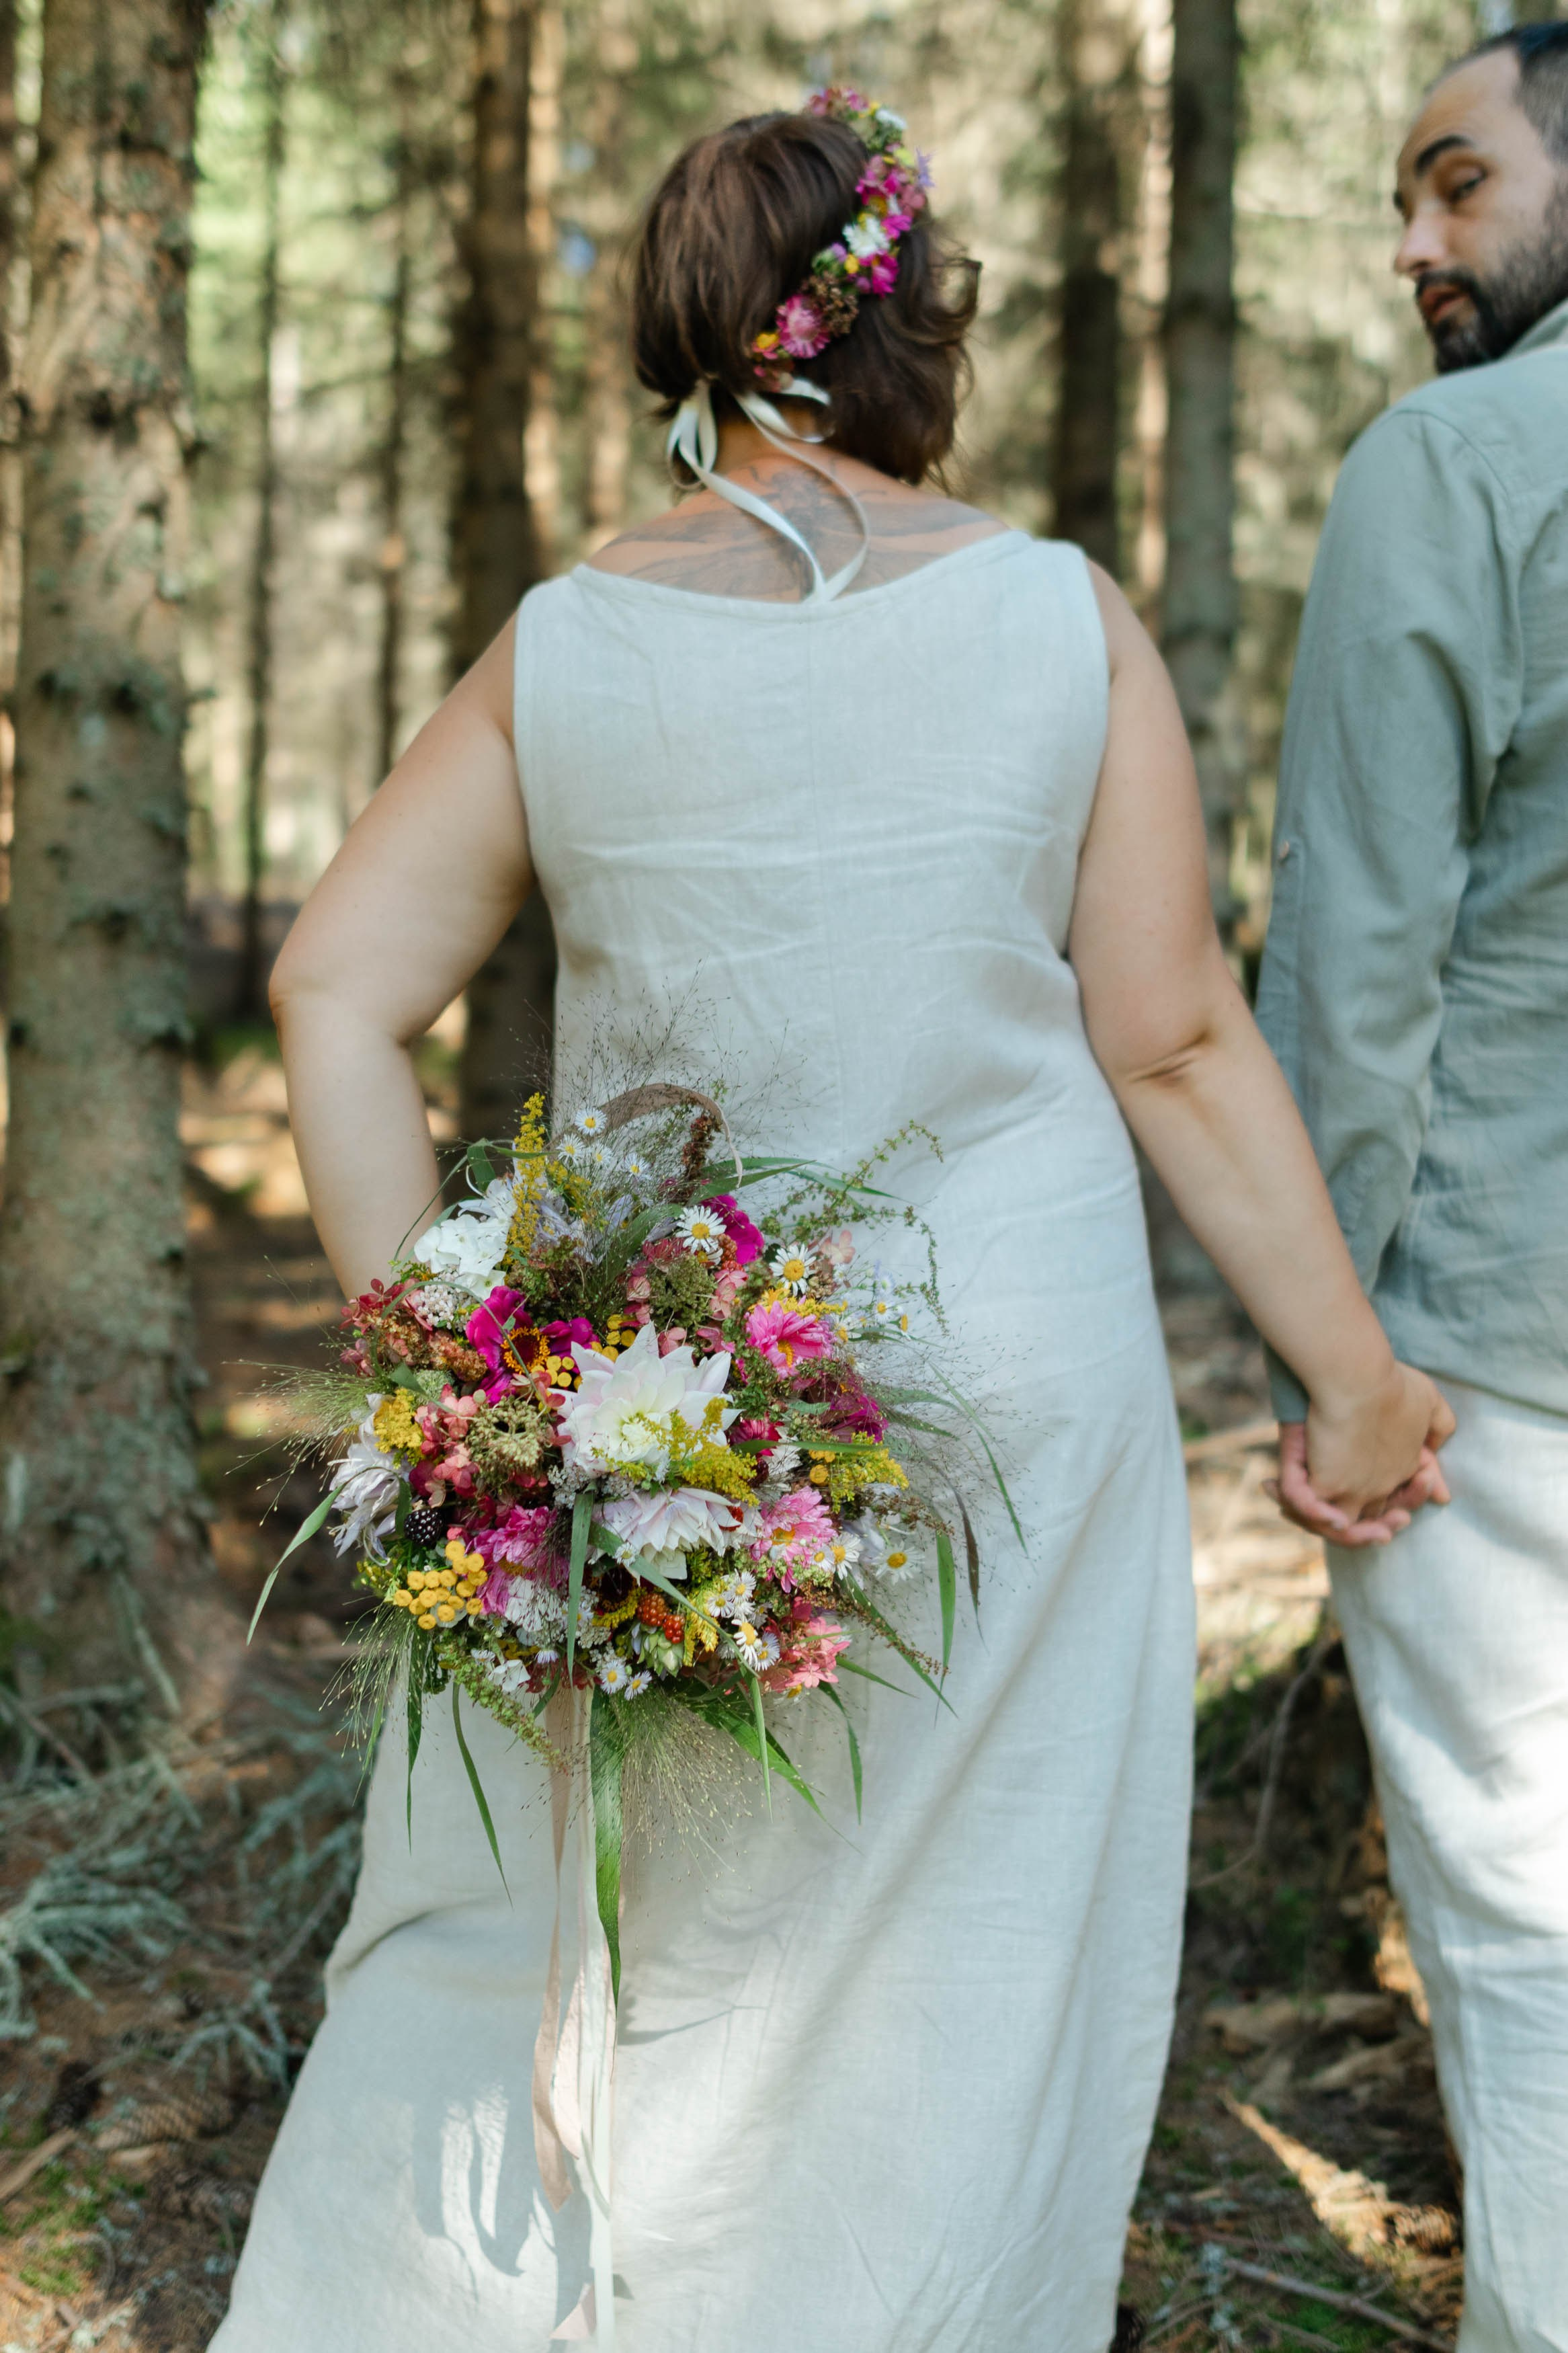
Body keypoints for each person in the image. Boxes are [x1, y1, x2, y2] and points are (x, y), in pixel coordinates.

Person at [213, 92, 1448, 2353]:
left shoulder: (564, 643)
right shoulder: (1062, 618)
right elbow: (1171, 1039)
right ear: (912, 330)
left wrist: (460, 1378)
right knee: (957, 1988)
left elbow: (333, 987)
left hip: (648, 1419)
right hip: (1002, 1410)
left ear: (688, 335)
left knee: (603, 1929)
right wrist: (1356, 1385)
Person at [1257, 25, 1568, 2353]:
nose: (1411, 244)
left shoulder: (1456, 466)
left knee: (1524, 1919)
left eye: (1457, 184)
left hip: (1490, 1348)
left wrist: (1335, 1358)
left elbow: (1357, 958)